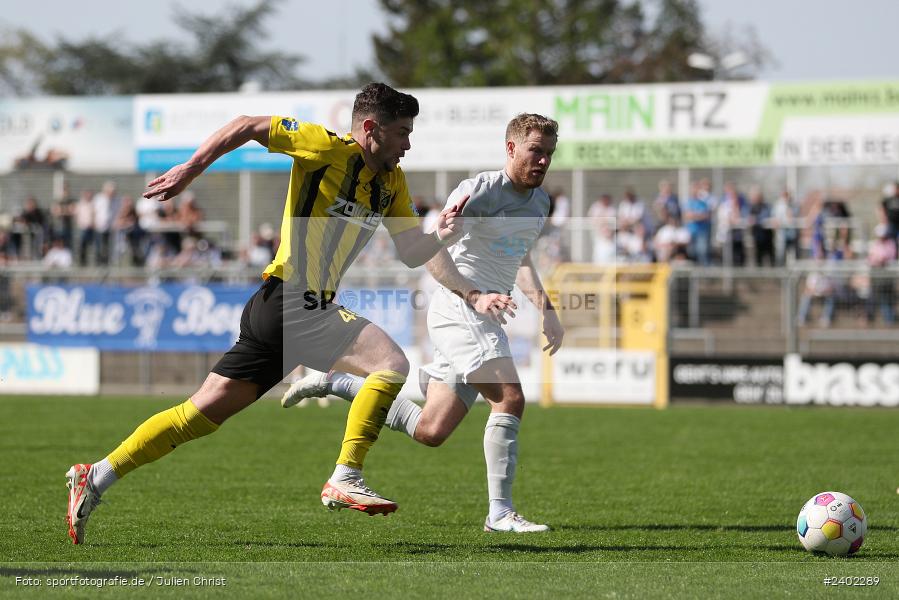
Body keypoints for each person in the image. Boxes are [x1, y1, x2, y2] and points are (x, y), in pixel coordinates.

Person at [64, 83, 468, 545]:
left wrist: (442, 232)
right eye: (401, 133)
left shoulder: (392, 184)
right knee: (390, 364)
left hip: (285, 310)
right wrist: (191, 169)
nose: (408, 144)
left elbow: (412, 251)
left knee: (197, 415)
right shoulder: (325, 148)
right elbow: (246, 126)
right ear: (371, 128)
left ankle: (95, 475)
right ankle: (345, 474)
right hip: (292, 300)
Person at [282, 113, 565, 533]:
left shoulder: (540, 203)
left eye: (549, 154)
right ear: (511, 148)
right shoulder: (479, 192)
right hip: (461, 309)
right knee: (509, 398)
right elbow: (433, 250)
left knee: (431, 429)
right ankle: (500, 514)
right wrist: (475, 294)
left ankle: (339, 382)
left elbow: (519, 256)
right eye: (535, 151)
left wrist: (548, 310)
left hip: (484, 314)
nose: (542, 161)